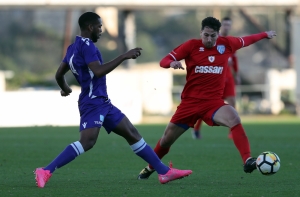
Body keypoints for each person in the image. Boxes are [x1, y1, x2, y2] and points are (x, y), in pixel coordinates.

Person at [34, 12, 192, 188]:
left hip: (102, 102)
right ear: (90, 27)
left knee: (132, 133)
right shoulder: (88, 47)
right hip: (93, 103)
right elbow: (98, 71)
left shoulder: (72, 48)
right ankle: (45, 170)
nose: (102, 30)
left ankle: (164, 172)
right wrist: (124, 56)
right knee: (87, 142)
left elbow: (59, 74)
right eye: (99, 27)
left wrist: (65, 88)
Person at [137, 16, 276, 179]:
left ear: (218, 34)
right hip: (190, 103)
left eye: (213, 36)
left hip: (213, 103)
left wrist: (264, 34)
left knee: (234, 118)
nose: (209, 39)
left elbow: (247, 40)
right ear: (201, 32)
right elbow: (164, 61)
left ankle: (248, 160)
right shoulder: (191, 45)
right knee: (166, 140)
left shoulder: (228, 44)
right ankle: (150, 167)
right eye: (206, 35)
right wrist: (172, 63)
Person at [192, 17, 240, 140]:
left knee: (233, 104)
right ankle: (196, 130)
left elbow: (234, 59)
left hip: (228, 77)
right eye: (225, 25)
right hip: (215, 77)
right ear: (220, 27)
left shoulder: (230, 42)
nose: (226, 27)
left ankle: (233, 132)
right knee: (206, 106)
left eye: (229, 25)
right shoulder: (212, 40)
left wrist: (237, 74)